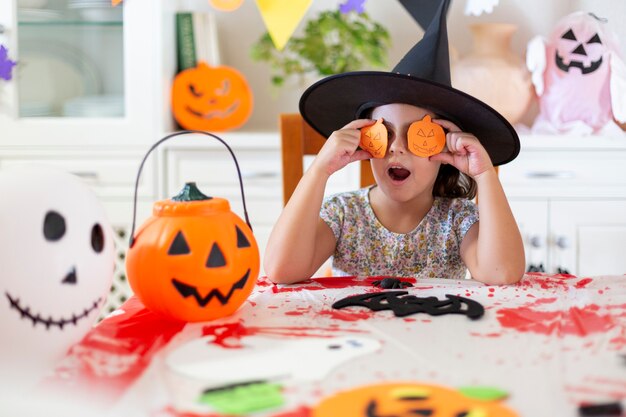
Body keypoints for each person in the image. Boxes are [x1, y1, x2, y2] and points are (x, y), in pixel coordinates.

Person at [264, 0, 525, 285]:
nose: (396, 147)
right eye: (383, 133)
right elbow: (281, 270)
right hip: (357, 329)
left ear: (444, 148)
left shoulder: (456, 219)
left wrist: (485, 175)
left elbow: (502, 274)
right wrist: (319, 171)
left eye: (418, 136)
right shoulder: (344, 214)